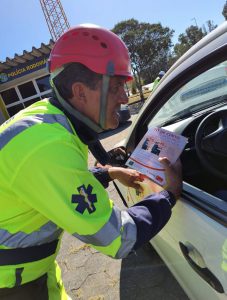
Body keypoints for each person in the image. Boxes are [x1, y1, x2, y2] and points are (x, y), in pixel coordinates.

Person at [0, 24, 182, 299]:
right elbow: (121, 238)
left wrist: (110, 173)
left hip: (29, 272)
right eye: (117, 86)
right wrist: (169, 194)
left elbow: (52, 182)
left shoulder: (46, 120)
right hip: (14, 285)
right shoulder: (48, 145)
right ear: (80, 92)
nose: (124, 97)